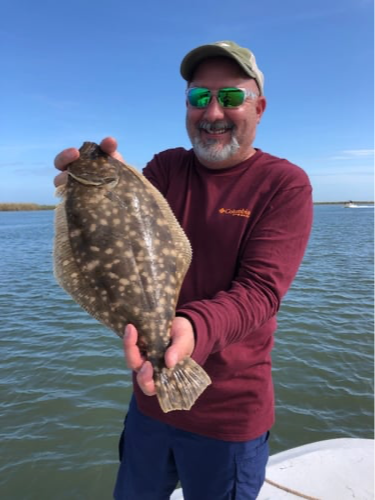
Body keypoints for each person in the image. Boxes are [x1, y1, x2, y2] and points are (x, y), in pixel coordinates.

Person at [54, 40, 313, 500]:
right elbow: (119, 237)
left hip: (229, 418)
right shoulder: (167, 167)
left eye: (231, 97)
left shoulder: (284, 184)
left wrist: (191, 327)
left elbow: (260, 292)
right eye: (199, 97)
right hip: (149, 407)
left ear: (260, 107)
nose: (212, 111)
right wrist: (83, 196)